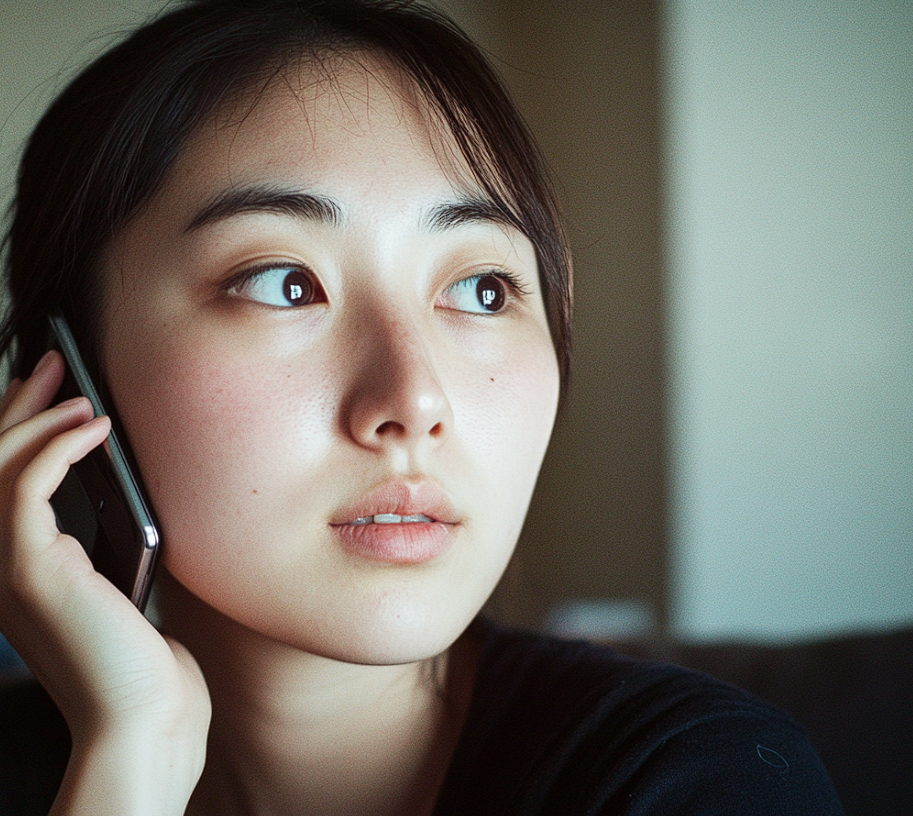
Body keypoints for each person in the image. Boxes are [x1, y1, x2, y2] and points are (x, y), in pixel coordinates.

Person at [0, 1, 842, 813]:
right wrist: (131, 757)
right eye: (284, 284)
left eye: (481, 289)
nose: (414, 401)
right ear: (66, 375)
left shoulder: (700, 779)